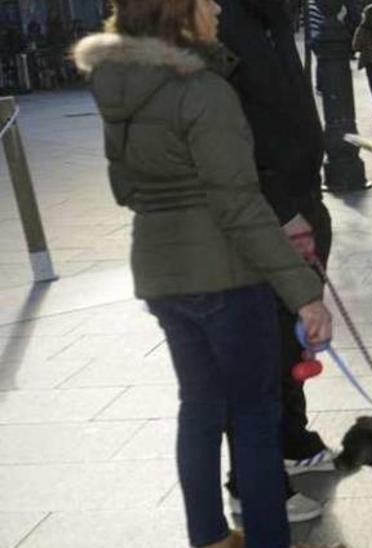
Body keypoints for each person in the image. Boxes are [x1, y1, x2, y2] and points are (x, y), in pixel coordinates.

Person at [72, 0, 333, 546]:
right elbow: (238, 204)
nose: (216, 6)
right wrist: (305, 292)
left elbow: (125, 189)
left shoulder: (116, 85)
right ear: (179, 14)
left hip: (160, 273)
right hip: (226, 278)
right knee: (255, 417)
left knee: (199, 407)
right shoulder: (204, 89)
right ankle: (266, 537)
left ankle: (210, 537)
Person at [214, 0, 335, 523]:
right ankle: (253, 480)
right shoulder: (222, 22)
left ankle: (291, 437)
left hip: (302, 195)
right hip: (267, 211)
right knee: (259, 353)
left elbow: (286, 104)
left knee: (292, 339)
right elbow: (233, 135)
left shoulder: (273, 17)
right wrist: (283, 211)